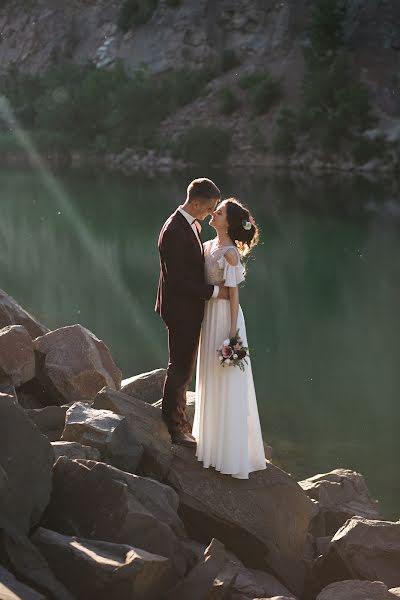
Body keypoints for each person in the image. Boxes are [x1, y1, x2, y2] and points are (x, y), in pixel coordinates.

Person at [192, 198, 267, 478]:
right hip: (209, 314)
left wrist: (233, 335)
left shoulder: (230, 254)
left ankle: (229, 453)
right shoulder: (208, 246)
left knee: (226, 378)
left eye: (219, 212)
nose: (214, 213)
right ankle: (210, 445)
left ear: (229, 222)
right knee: (210, 374)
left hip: (225, 317)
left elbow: (234, 296)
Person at [155, 178, 229, 447]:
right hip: (179, 309)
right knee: (180, 368)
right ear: (195, 203)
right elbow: (177, 281)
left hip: (185, 306)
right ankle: (175, 428)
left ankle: (178, 422)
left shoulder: (188, 224)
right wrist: (215, 292)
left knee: (183, 366)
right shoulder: (174, 230)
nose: (211, 213)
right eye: (210, 208)